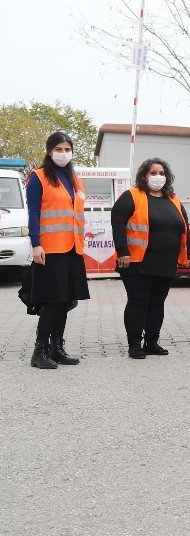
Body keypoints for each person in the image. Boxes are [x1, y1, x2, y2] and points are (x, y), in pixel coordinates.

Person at [111, 158, 190, 359]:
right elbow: (117, 221)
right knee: (138, 301)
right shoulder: (132, 196)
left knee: (157, 303)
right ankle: (134, 345)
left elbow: (185, 228)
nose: (158, 176)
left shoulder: (173, 199)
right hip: (136, 262)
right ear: (144, 176)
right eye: (153, 172)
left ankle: (152, 342)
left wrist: (187, 254)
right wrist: (122, 251)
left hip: (165, 263)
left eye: (162, 173)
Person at [22, 131, 90, 369]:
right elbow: (34, 213)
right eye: (59, 149)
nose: (64, 153)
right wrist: (35, 243)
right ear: (50, 151)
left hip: (73, 249)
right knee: (52, 300)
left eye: (67, 149)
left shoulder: (75, 180)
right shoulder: (38, 177)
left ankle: (56, 348)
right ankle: (39, 351)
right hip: (50, 249)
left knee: (66, 300)